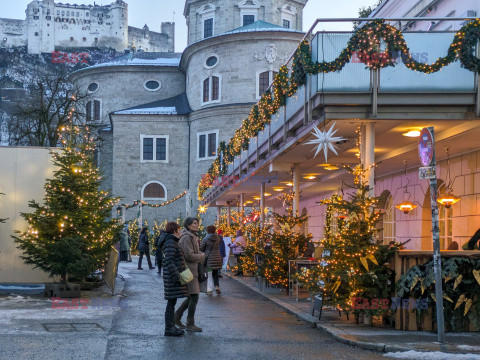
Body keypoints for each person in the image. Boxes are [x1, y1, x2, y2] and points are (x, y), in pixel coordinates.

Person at [175, 217, 205, 332]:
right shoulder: (187, 238)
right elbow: (190, 256)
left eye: (197, 223)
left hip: (193, 270)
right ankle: (189, 323)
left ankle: (177, 316)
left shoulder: (192, 236)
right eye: (194, 223)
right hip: (190, 270)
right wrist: (202, 256)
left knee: (191, 296)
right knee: (194, 296)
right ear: (188, 225)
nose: (197, 225)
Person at [162, 222, 188, 337]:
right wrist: (177, 275)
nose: (181, 231)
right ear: (174, 231)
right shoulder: (170, 242)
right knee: (171, 303)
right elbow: (169, 260)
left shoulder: (172, 241)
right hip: (172, 278)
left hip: (172, 277)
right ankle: (169, 328)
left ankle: (171, 326)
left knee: (172, 302)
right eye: (179, 229)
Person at [200, 225, 223, 295]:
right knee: (215, 274)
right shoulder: (218, 238)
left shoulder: (205, 239)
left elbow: (201, 248)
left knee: (209, 274)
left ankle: (209, 290)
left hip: (209, 259)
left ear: (208, 230)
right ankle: (217, 287)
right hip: (217, 258)